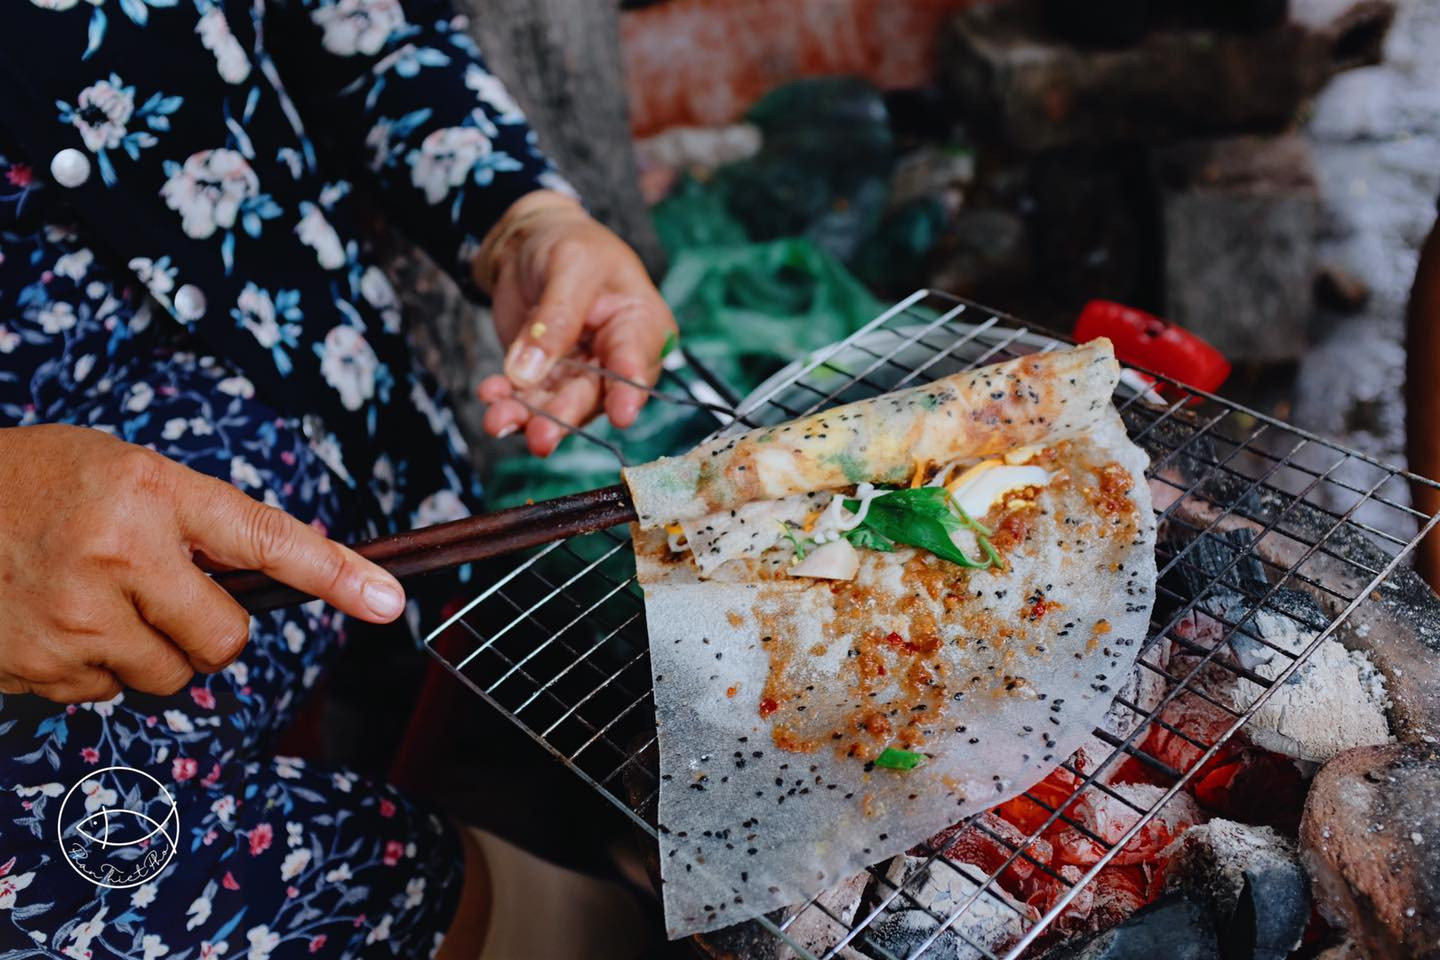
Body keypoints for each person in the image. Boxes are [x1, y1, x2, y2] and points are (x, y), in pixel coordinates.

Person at [0, 1, 672, 957]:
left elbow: (364, 27)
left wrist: (523, 214)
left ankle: (600, 935)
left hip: (252, 378)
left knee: (66, 852)